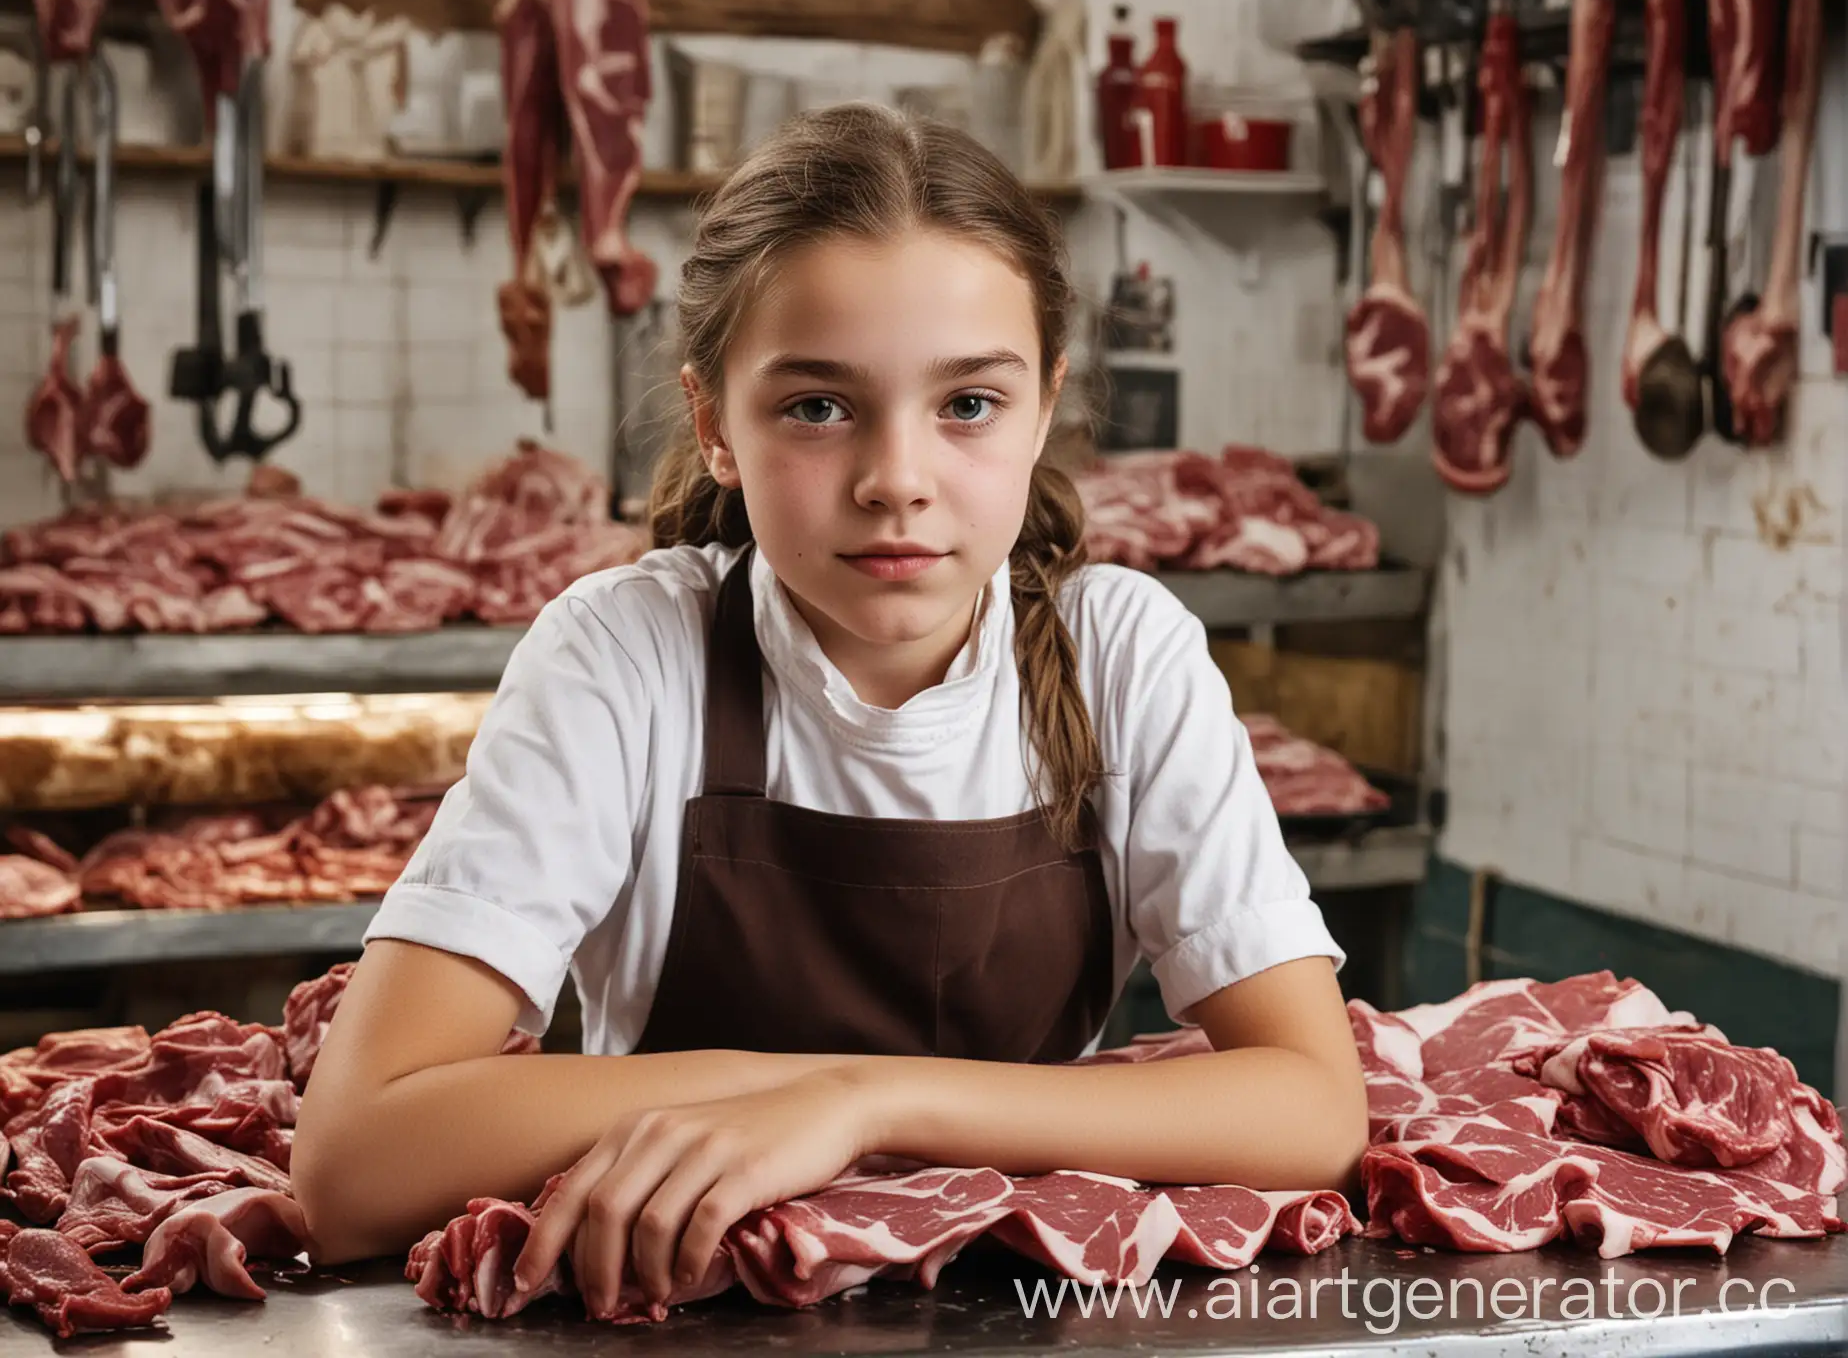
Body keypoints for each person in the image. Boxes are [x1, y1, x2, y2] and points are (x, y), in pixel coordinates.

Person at [293, 103, 1367, 1320]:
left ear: (1044, 409)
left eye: (968, 405)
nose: (896, 480)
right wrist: (819, 1095)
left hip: (1019, 1315)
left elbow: (1315, 1107)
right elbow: (351, 1163)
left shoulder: (1121, 653)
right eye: (817, 406)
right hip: (665, 1313)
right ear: (715, 426)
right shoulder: (629, 657)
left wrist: (858, 1107)